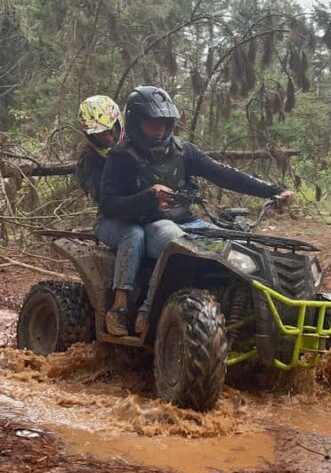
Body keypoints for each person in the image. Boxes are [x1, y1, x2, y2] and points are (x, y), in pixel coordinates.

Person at [99, 85, 295, 334]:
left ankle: (247, 311)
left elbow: (224, 174)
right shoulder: (121, 156)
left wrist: (272, 191)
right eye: (152, 122)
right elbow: (108, 204)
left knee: (229, 242)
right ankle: (142, 311)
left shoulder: (183, 151)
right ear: (136, 122)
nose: (160, 129)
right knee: (176, 242)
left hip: (187, 220)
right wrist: (148, 198)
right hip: (149, 223)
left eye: (165, 122)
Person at [76, 95, 146, 337]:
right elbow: (105, 200)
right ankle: (120, 306)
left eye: (109, 131)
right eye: (99, 134)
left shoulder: (137, 145)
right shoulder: (89, 161)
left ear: (118, 124)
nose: (106, 137)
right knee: (134, 235)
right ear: (89, 134)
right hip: (110, 221)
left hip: (146, 212)